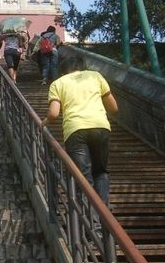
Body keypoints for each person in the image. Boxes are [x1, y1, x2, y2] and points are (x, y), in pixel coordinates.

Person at [42, 49, 118, 205]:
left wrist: (43, 123)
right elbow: (114, 108)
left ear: (63, 71)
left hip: (75, 130)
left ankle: (88, 217)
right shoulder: (95, 76)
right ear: (83, 67)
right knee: (100, 171)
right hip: (100, 127)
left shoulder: (58, 83)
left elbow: (54, 113)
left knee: (82, 176)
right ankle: (103, 213)